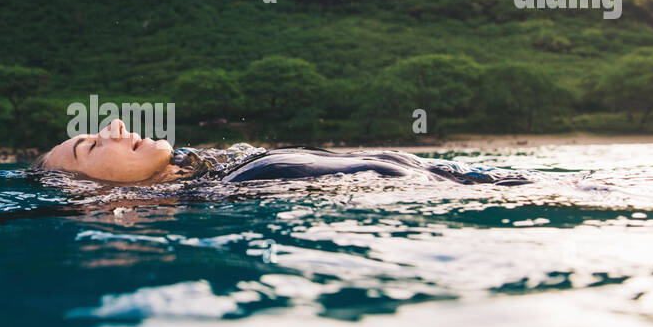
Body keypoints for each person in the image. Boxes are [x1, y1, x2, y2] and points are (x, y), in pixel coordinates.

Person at [34, 119, 530, 186]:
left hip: (439, 176)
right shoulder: (221, 190)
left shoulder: (212, 168)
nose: (115, 126)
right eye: (90, 146)